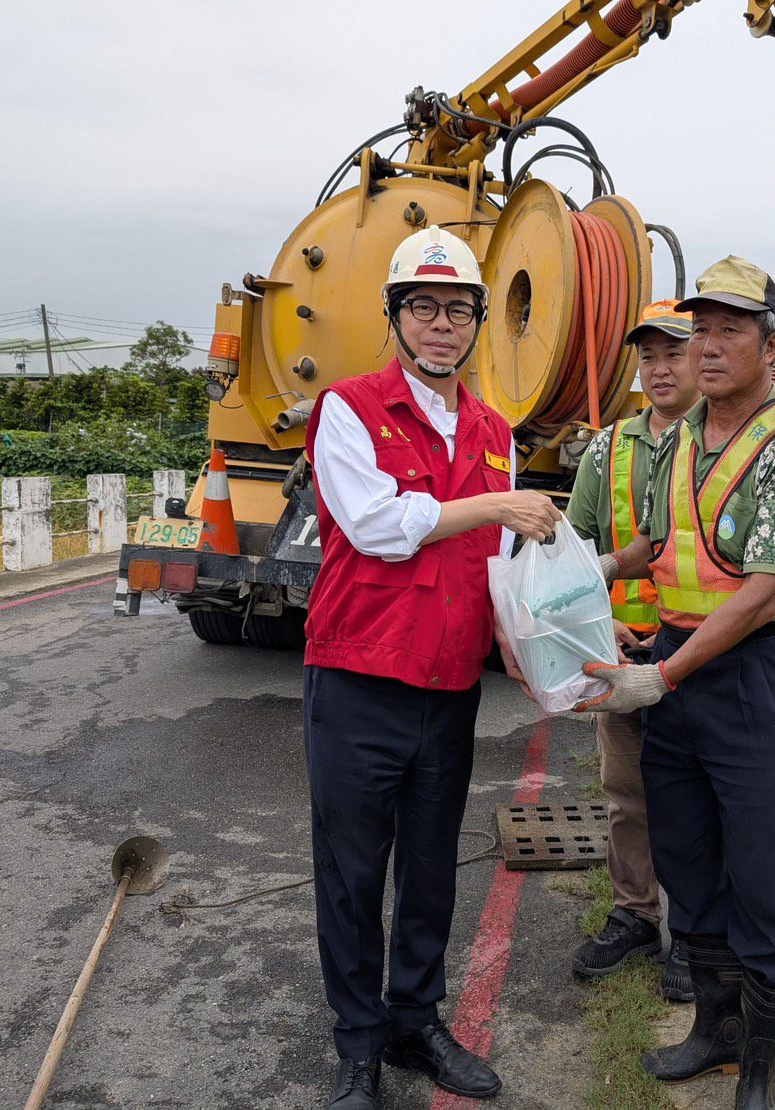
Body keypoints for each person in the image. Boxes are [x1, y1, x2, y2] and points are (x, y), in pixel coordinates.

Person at [302, 226, 561, 1108]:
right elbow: (378, 525)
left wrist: (543, 645)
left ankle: (414, 1022)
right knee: (350, 871)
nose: (440, 324)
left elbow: (501, 562)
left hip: (448, 688)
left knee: (430, 867)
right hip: (358, 680)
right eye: (423, 306)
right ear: (396, 316)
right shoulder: (349, 408)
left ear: (479, 321)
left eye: (458, 308)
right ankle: (356, 1047)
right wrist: (493, 500)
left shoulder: (495, 428)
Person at [576, 256, 775, 1109]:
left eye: (730, 329)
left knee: (763, 869)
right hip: (676, 664)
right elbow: (663, 552)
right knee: (689, 857)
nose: (710, 347)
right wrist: (591, 606)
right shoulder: (680, 439)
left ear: (770, 342)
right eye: (703, 330)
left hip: (753, 679)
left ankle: (757, 1069)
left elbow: (764, 592)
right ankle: (714, 1033)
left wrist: (663, 674)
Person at [564, 301, 698, 1001]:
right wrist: (599, 621)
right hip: (623, 651)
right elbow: (574, 554)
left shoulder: (721, 442)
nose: (659, 368)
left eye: (672, 353)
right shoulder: (607, 447)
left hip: (703, 654)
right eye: (648, 356)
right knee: (627, 792)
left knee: (701, 795)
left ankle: (699, 933)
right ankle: (638, 914)